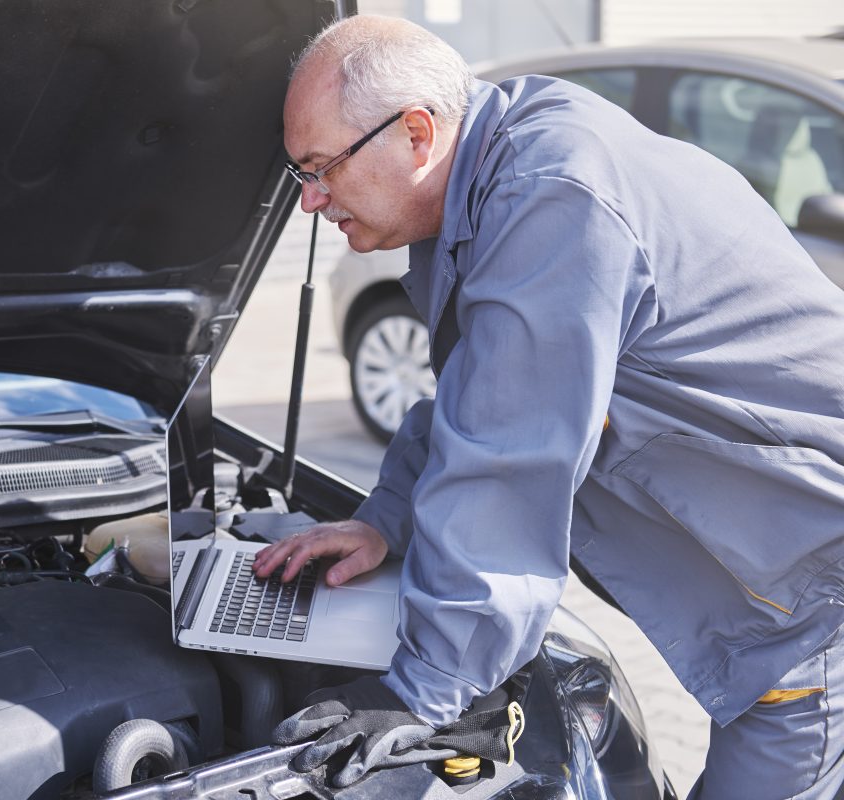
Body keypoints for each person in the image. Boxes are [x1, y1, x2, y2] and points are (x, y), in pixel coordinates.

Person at [253, 14, 844, 799]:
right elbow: (483, 391)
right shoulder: (499, 171)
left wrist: (422, 692)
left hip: (812, 606)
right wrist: (384, 517)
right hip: (775, 582)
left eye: (322, 168)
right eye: (302, 174)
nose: (311, 200)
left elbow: (507, 459)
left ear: (417, 134)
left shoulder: (549, 196)